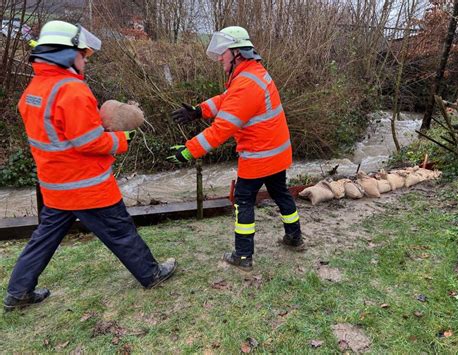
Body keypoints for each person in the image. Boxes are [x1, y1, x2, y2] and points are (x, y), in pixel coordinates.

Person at [3, 20, 176, 312]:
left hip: (55, 185)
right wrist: (122, 139)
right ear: (66, 54)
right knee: (121, 231)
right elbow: (90, 142)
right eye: (82, 54)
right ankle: (151, 274)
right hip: (87, 186)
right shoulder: (72, 90)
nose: (85, 60)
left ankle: (18, 291)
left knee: (43, 238)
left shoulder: (35, 88)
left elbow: (60, 134)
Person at [168, 26, 303, 271]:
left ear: (237, 54)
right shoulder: (252, 74)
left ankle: (243, 256)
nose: (220, 58)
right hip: (275, 153)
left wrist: (188, 150)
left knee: (243, 201)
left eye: (224, 53)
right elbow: (226, 99)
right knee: (281, 193)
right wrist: (199, 111)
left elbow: (220, 130)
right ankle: (294, 237)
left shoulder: (246, 83)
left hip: (259, 155)